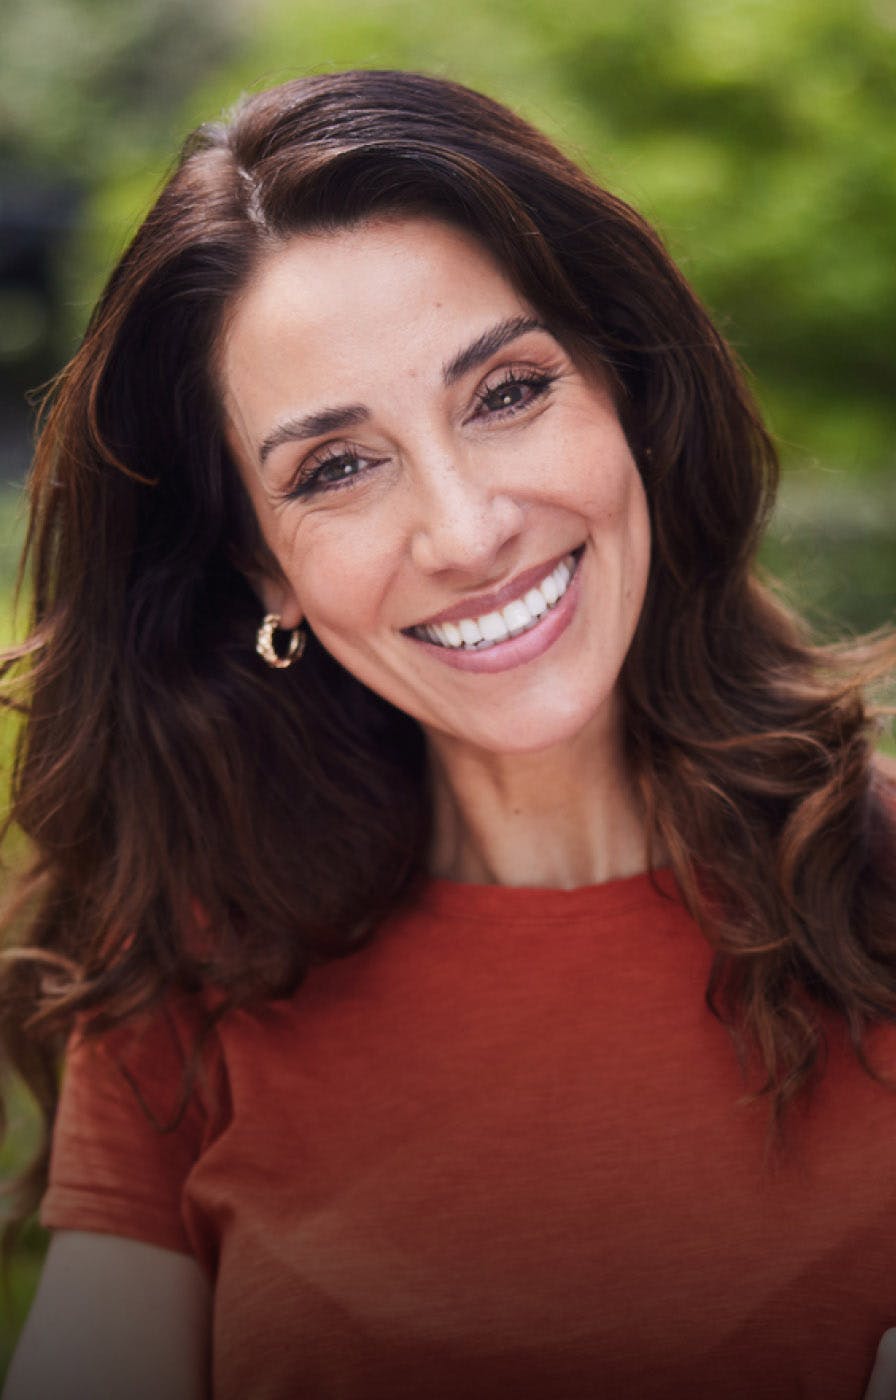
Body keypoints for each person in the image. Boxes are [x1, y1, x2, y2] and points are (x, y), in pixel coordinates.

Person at [2, 68, 895, 1400]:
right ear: (264, 575)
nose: (469, 531)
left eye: (508, 392)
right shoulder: (196, 976)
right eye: (338, 468)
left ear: (628, 398)